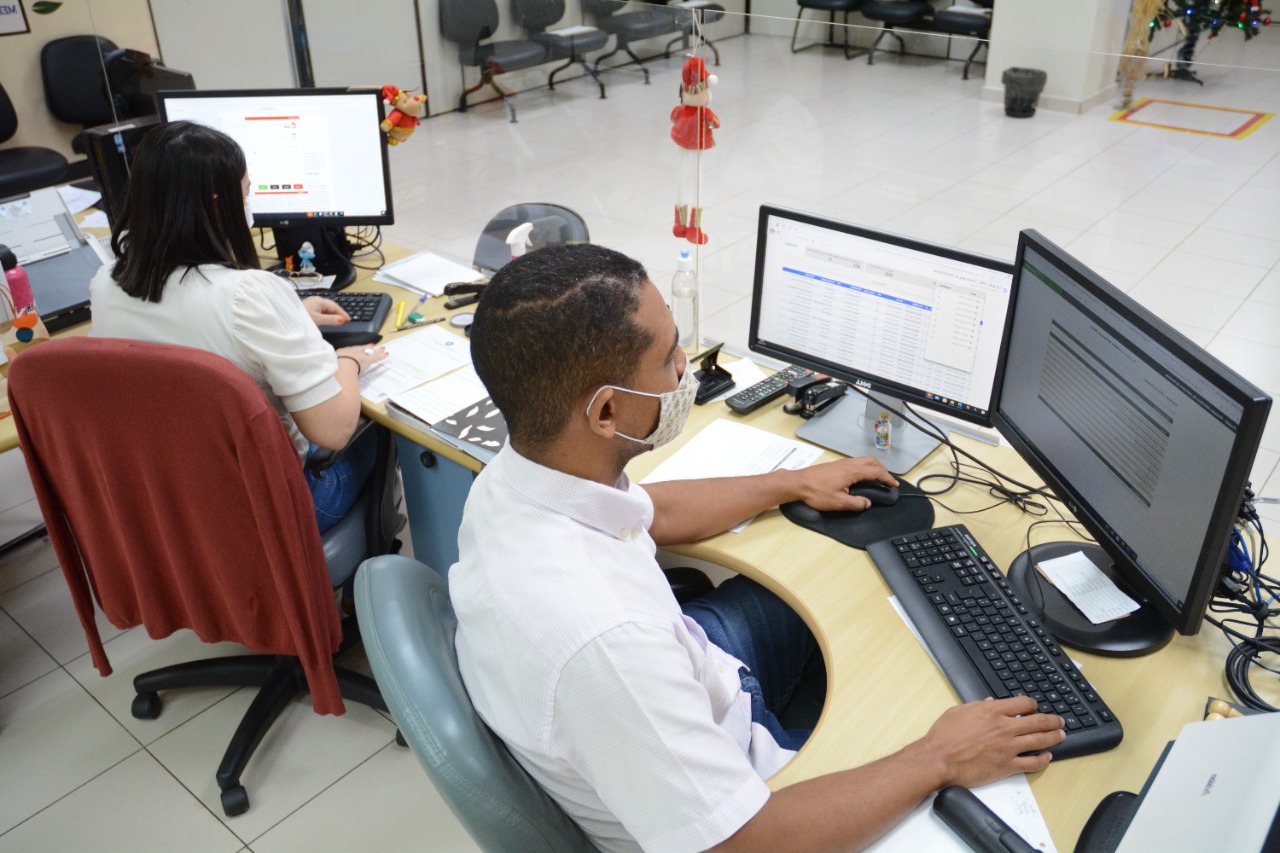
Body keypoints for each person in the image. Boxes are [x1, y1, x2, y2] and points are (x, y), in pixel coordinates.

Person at [451, 244, 1067, 853]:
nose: (686, 371)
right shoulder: (608, 646)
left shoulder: (514, 481)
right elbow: (744, 843)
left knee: (857, 586)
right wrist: (937, 758)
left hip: (703, 668)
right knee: (925, 724)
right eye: (670, 359)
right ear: (607, 410)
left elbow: (650, 512)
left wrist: (789, 482)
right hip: (740, 799)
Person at [89, 120, 388, 533]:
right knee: (384, 429)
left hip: (168, 501)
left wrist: (291, 315)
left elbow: (195, 333)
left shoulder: (106, 283)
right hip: (268, 510)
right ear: (218, 205)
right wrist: (349, 362)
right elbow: (333, 430)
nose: (249, 203)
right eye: (246, 192)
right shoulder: (249, 294)